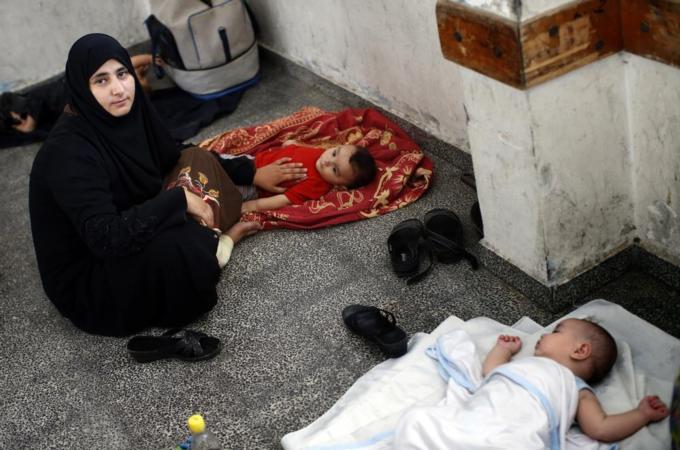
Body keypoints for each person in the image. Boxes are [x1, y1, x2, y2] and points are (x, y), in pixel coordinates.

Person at [28, 34, 304, 336]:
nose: (119, 89)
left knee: (196, 158)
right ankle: (215, 238)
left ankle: (209, 232)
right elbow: (107, 238)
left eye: (122, 74)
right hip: (92, 278)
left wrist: (251, 172)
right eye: (101, 80)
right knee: (182, 248)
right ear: (83, 87)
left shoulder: (127, 115)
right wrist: (178, 200)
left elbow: (173, 152)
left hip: (124, 219)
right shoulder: (67, 154)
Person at [395, 319, 669, 448]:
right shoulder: (524, 365)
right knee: (418, 420)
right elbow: (492, 373)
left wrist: (641, 414)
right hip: (476, 419)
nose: (544, 335)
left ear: (580, 350)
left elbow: (600, 427)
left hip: (513, 436)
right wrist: (503, 350)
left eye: (556, 331)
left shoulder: (574, 387)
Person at [240, 140, 377, 213]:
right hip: (250, 161)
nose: (327, 161)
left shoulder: (317, 184)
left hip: (253, 187)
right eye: (334, 153)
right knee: (226, 164)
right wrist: (294, 144)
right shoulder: (322, 153)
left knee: (228, 187)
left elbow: (285, 200)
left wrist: (252, 206)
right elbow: (307, 150)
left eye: (334, 170)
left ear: (341, 186)